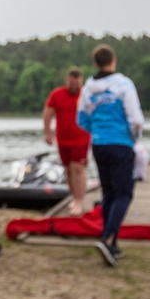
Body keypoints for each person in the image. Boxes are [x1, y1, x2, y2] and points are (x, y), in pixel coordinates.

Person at [77, 44, 144, 267]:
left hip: (99, 145)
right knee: (124, 194)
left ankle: (112, 244)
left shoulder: (88, 89)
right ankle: (107, 239)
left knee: (108, 193)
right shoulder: (123, 85)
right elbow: (136, 119)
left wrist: (98, 132)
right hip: (121, 143)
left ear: (96, 63)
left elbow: (81, 118)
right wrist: (134, 137)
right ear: (113, 60)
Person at [43, 67, 92, 216]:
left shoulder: (86, 94)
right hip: (63, 139)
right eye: (72, 83)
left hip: (82, 138)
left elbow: (94, 114)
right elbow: (48, 113)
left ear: (81, 82)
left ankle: (79, 201)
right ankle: (73, 197)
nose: (74, 86)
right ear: (67, 81)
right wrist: (47, 133)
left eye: (77, 83)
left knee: (78, 168)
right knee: (68, 170)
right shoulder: (57, 94)